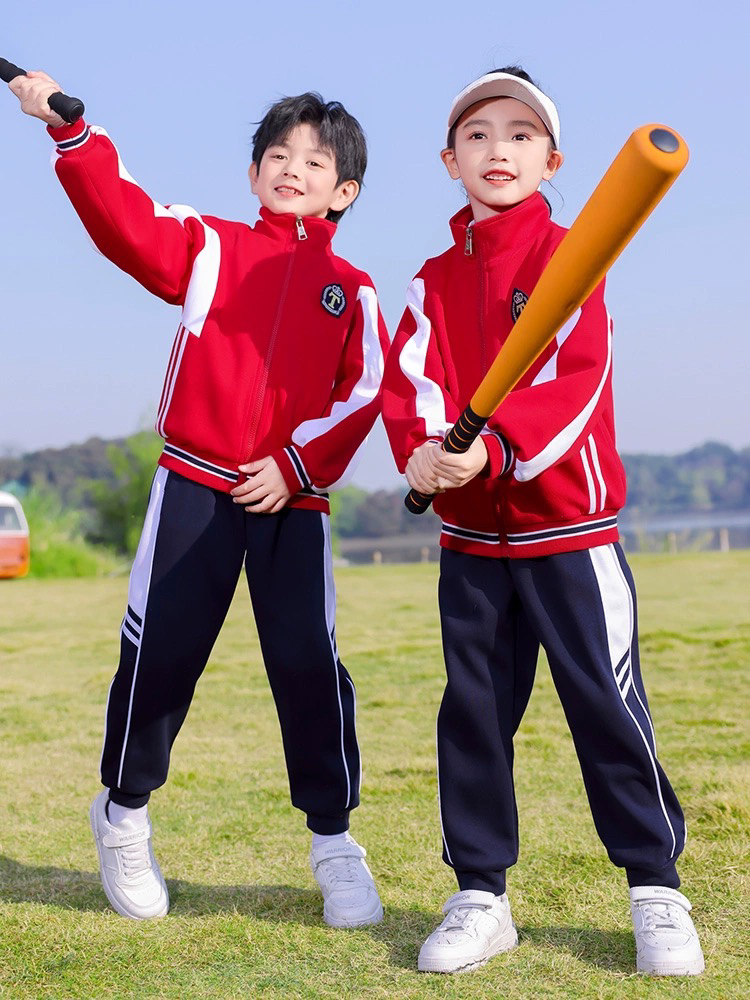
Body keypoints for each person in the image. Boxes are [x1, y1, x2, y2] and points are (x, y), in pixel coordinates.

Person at [9, 71, 389, 927]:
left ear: (344, 190)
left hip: (292, 504)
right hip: (194, 487)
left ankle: (334, 842)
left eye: (315, 160)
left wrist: (295, 465)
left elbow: (365, 392)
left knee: (309, 668)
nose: (293, 168)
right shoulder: (212, 246)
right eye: (277, 155)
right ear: (255, 173)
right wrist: (71, 135)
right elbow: (128, 227)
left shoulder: (355, 291)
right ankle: (125, 812)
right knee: (161, 655)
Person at [382, 66, 704, 976]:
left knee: (605, 704)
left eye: (521, 136)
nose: (499, 150)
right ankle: (481, 893)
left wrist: (498, 446)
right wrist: (423, 449)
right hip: (473, 543)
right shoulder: (430, 282)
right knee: (475, 713)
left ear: (551, 159)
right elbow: (415, 380)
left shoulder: (575, 256)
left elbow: (576, 380)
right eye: (478, 135)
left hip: (571, 532)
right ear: (451, 159)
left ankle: (656, 888)